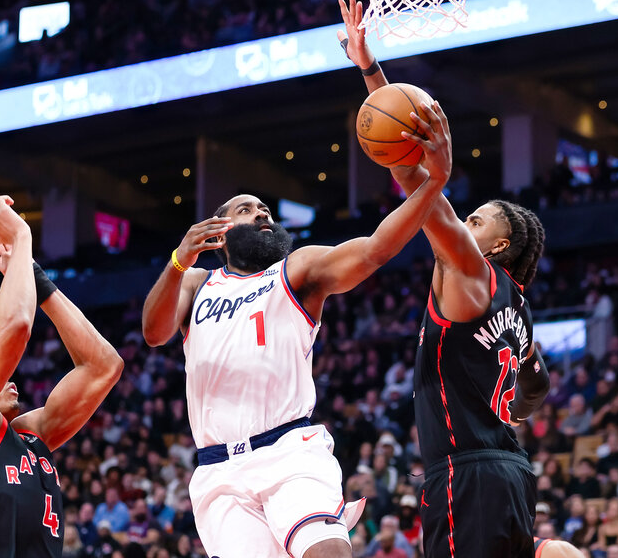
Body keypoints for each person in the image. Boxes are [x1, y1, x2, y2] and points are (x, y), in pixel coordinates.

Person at [142, 82, 452, 556]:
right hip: (218, 472)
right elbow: (154, 332)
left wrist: (433, 182)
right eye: (247, 209)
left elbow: (373, 250)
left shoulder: (297, 270)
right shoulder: (196, 282)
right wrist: (177, 261)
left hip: (290, 451)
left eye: (265, 208)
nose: (262, 212)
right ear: (220, 232)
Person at [338, 0, 549, 558]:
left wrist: (369, 72)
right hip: (509, 473)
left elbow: (417, 182)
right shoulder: (519, 308)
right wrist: (508, 419)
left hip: (468, 475)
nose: (465, 220)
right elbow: (538, 384)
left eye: (477, 220)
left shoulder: (473, 271)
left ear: (499, 243)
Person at [0, 195, 123, 558]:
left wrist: (37, 279)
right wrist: (20, 236)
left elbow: (104, 368)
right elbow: (16, 326)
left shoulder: (31, 436)